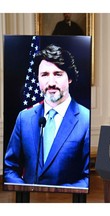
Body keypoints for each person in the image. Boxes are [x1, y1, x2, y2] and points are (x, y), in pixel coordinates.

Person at [4, 44, 90, 188]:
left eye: (57, 74)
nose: (51, 83)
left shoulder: (86, 119)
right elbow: (9, 168)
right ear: (38, 80)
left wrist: (58, 195)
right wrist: (25, 189)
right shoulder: (24, 118)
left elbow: (88, 177)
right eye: (44, 75)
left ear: (70, 78)